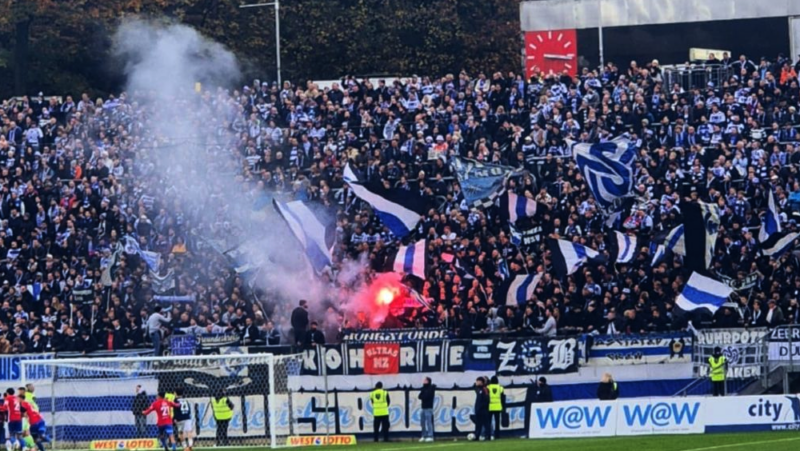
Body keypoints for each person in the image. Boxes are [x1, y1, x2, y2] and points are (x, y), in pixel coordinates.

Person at [487, 376, 505, 440]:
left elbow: (486, 397)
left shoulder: (488, 387)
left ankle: (488, 434)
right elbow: (503, 398)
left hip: (490, 406)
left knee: (488, 422)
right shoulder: (500, 387)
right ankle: (497, 435)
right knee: (497, 422)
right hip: (498, 406)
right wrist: (503, 407)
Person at [418, 377, 435, 442]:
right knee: (422, 422)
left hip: (429, 408)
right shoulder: (423, 388)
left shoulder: (431, 388)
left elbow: (428, 396)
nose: (423, 381)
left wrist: (424, 396)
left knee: (429, 422)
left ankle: (430, 436)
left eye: (425, 380)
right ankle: (423, 435)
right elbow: (419, 396)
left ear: (428, 381)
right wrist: (424, 396)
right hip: (423, 407)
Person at [472, 377, 490, 441]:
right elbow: (474, 387)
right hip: (478, 410)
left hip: (483, 410)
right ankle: (477, 436)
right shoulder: (478, 389)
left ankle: (488, 436)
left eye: (477, 381)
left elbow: (487, 399)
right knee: (478, 424)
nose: (476, 382)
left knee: (486, 424)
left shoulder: (485, 389)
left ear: (481, 382)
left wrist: (483, 407)